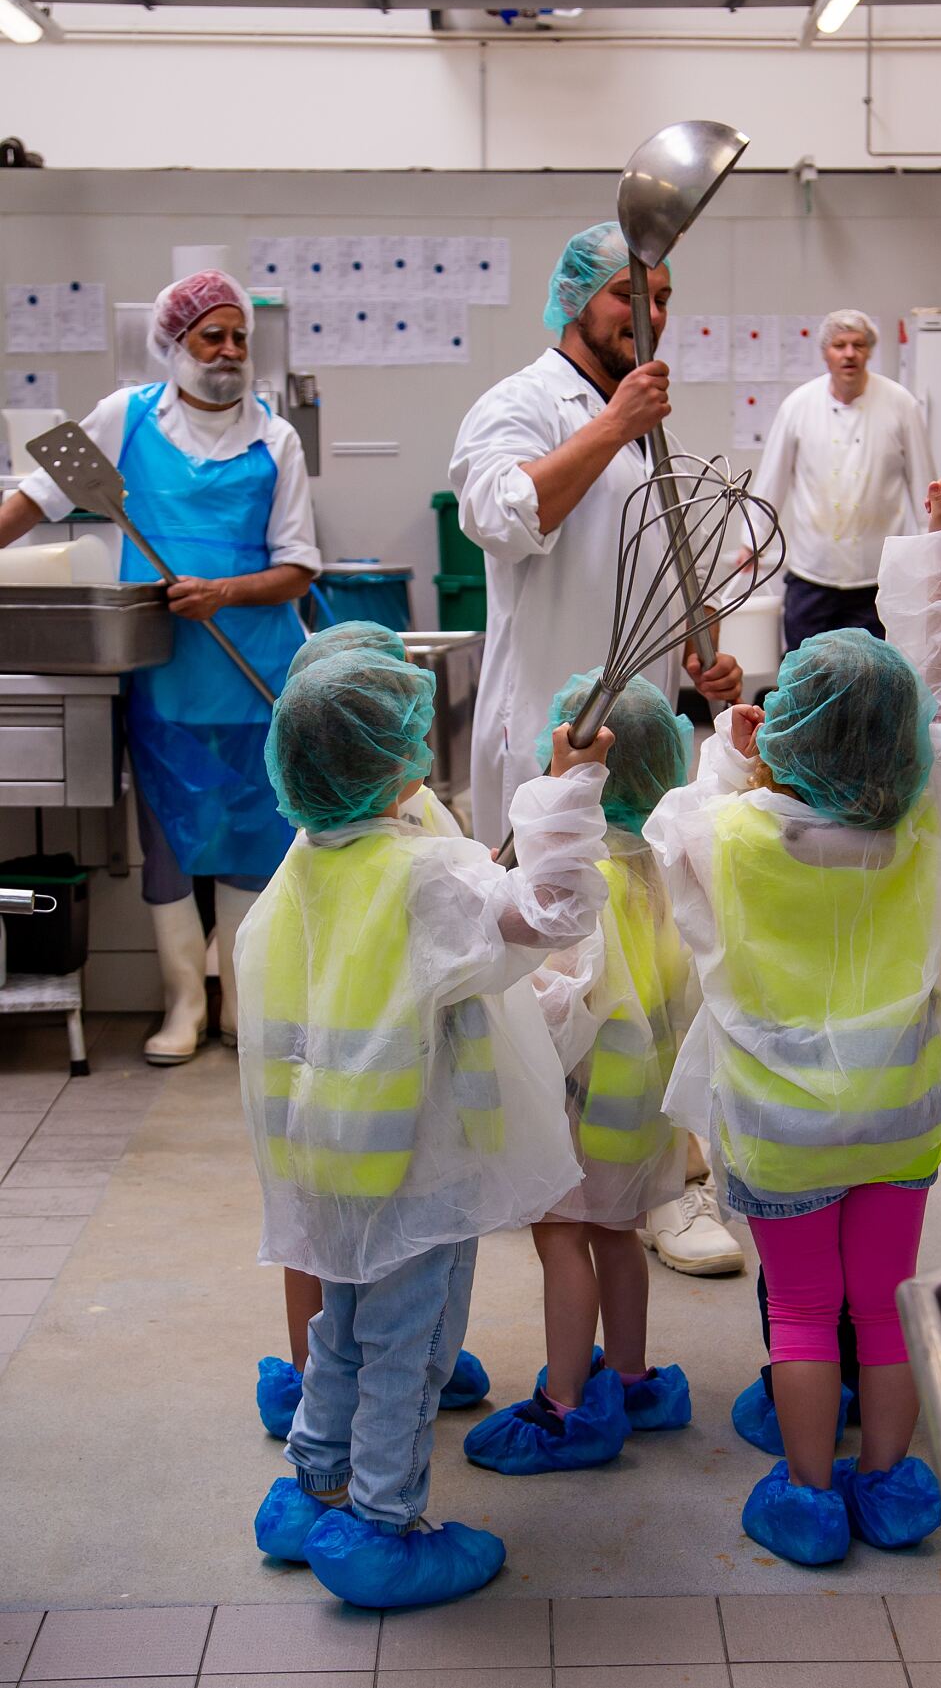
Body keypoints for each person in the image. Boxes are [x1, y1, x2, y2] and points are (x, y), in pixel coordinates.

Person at [645, 456, 941, 1566]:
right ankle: (890, 1485)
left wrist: (727, 750)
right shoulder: (924, 832)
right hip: (902, 1111)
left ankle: (806, 1498)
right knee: (884, 1300)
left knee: (801, 1314)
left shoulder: (722, 837)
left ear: (778, 731)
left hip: (783, 1125)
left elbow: (680, 817)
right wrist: (939, 553)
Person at [242, 641, 613, 1607]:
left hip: (326, 1158)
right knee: (409, 1347)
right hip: (420, 1167)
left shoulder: (298, 870)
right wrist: (567, 794)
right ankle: (380, 1523)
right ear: (395, 764)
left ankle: (310, 1483)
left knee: (341, 1328)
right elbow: (557, 908)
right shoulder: (427, 878)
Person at [451, 220, 745, 1277]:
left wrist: (704, 656)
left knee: (647, 976)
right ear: (575, 297)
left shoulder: (647, 421)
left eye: (662, 294)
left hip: (641, 749)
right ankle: (549, 1184)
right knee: (549, 979)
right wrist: (615, 426)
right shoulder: (519, 403)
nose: (649, 313)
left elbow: (659, 565)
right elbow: (502, 516)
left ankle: (650, 1184)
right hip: (548, 743)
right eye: (629, 292)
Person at [0, 269, 319, 1065]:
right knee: (170, 837)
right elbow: (35, 499)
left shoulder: (275, 438)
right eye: (212, 335)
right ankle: (183, 1001)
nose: (230, 351)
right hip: (165, 672)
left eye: (240, 336)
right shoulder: (126, 420)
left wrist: (225, 592)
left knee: (254, 834)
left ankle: (243, 1002)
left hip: (256, 670)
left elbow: (299, 567)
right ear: (174, 345)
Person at [252, 622, 489, 1444]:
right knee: (382, 1302)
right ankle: (377, 1484)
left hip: (314, 1117)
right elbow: (494, 943)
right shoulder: (403, 844)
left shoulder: (315, 835)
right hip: (395, 1121)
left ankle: (319, 1427)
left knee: (333, 1279)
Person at [464, 672, 696, 1475]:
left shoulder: (576, 873)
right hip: (637, 1101)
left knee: (562, 1237)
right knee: (620, 1230)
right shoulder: (663, 865)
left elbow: (556, 996)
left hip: (575, 1096)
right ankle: (629, 1376)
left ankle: (566, 1403)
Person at [744, 309, 935, 645]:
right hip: (811, 574)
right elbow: (771, 480)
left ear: (870, 351)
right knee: (806, 675)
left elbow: (924, 485)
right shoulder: (798, 406)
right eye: (840, 345)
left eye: (858, 345)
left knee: (873, 680)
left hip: (876, 579)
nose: (849, 353)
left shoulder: (900, 405)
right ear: (825, 352)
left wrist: (936, 552)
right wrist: (752, 540)